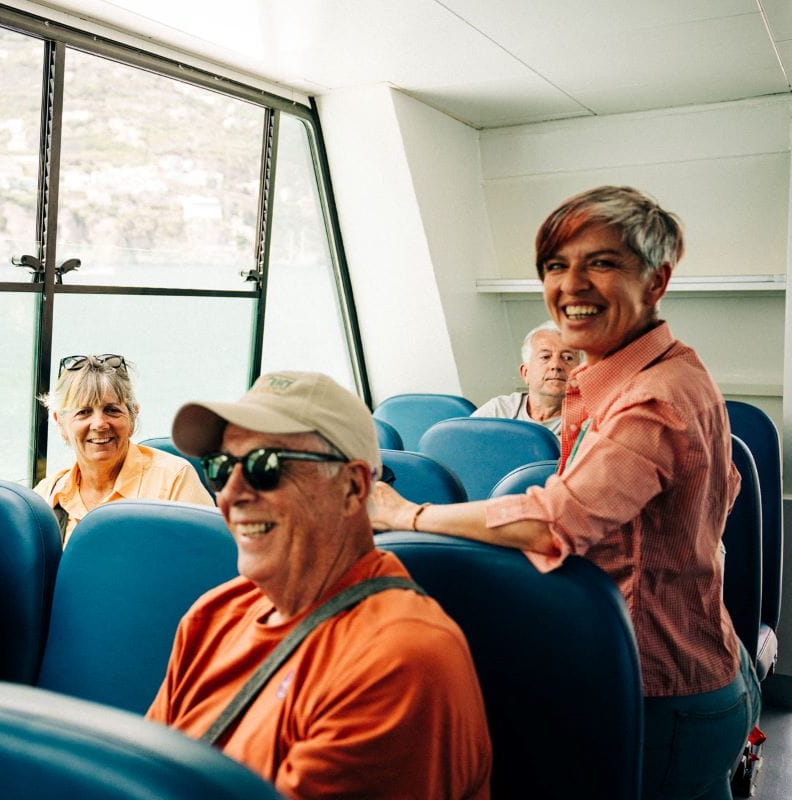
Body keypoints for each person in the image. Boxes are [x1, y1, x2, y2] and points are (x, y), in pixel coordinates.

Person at [371, 185, 760, 800]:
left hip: (666, 689)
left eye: (601, 263)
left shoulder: (651, 399)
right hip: (692, 665)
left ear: (655, 282)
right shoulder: (656, 370)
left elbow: (556, 522)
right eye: (556, 265)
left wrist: (405, 513)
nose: (570, 285)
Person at [147, 371, 492, 800]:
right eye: (220, 468)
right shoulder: (213, 615)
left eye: (265, 466)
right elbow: (148, 777)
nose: (231, 493)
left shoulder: (398, 659)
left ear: (352, 487)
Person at [35, 353, 214, 544]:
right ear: (60, 422)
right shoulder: (47, 495)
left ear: (132, 415)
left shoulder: (173, 480)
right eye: (83, 412)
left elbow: (209, 561)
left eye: (111, 410)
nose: (99, 424)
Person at [470, 320, 581, 434]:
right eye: (545, 357)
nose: (556, 365)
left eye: (568, 358)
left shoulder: (591, 421)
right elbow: (460, 445)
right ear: (525, 373)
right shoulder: (499, 411)